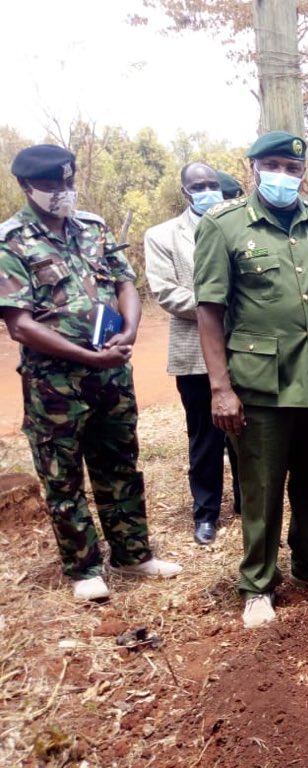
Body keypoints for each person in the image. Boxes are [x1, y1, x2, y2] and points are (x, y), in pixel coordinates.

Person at [192, 131, 308, 629]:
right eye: (273, 166)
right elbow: (209, 312)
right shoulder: (223, 227)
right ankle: (258, 585)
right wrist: (221, 388)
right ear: (253, 169)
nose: (283, 176)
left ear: (304, 173)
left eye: (292, 169)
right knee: (262, 484)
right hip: (260, 382)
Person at [0, 144, 182, 601]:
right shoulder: (10, 241)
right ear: (26, 187)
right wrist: (87, 358)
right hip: (54, 384)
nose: (63, 191)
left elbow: (126, 284)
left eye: (67, 181)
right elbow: (20, 324)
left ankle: (133, 554)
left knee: (120, 464)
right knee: (62, 476)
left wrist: (131, 331)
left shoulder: (94, 228)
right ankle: (84, 569)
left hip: (112, 374)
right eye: (50, 185)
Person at [144, 162, 240, 545]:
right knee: (205, 437)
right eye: (198, 186)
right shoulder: (163, 235)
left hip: (246, 347)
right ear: (185, 191)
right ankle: (206, 514)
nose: (207, 190)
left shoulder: (238, 224)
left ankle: (249, 505)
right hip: (195, 351)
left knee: (246, 435)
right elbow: (165, 291)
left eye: (213, 184)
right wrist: (216, 304)